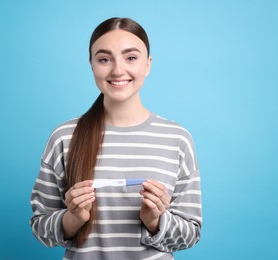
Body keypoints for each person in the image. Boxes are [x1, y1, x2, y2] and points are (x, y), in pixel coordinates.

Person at [30, 17, 202, 260]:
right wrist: (73, 218)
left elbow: (190, 235)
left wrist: (154, 220)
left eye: (131, 57)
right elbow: (41, 228)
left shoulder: (177, 139)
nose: (118, 70)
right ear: (91, 65)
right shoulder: (64, 137)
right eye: (104, 59)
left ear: (148, 64)